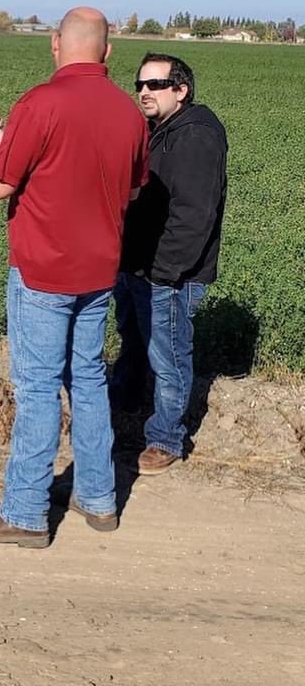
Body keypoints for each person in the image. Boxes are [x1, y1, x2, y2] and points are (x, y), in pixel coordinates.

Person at [0, 7, 149, 548]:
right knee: (87, 380)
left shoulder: (41, 103)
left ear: (55, 44)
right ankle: (99, 498)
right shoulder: (131, 115)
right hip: (99, 273)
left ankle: (24, 513)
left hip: (43, 273)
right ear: (109, 52)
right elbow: (133, 191)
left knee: (38, 389)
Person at [112, 53, 227, 475]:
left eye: (156, 85)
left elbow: (194, 216)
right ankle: (125, 399)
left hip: (170, 273)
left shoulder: (196, 137)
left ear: (181, 90)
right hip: (137, 263)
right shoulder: (158, 129)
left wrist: (165, 271)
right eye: (140, 83)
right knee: (135, 337)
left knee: (169, 355)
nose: (144, 91)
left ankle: (166, 437)